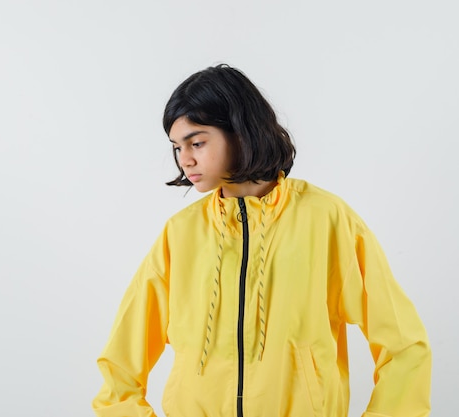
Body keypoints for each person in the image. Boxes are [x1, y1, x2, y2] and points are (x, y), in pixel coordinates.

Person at [92, 64, 431, 417]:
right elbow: (119, 367)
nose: (185, 158)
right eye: (177, 147)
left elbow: (404, 345)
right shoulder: (180, 234)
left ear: (241, 132)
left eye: (197, 142)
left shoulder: (326, 219)